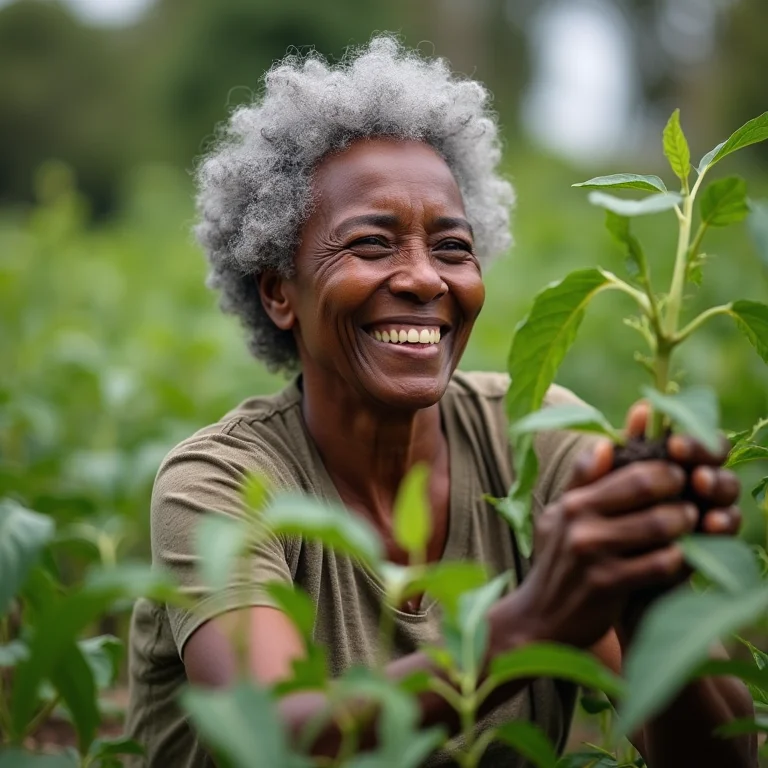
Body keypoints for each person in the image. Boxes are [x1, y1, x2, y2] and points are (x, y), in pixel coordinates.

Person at [125, 36, 755, 768]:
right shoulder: (221, 485)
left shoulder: (535, 440)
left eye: (453, 248)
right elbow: (270, 737)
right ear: (277, 292)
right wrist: (531, 621)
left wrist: (649, 588)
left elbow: (722, 757)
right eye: (370, 243)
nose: (425, 278)